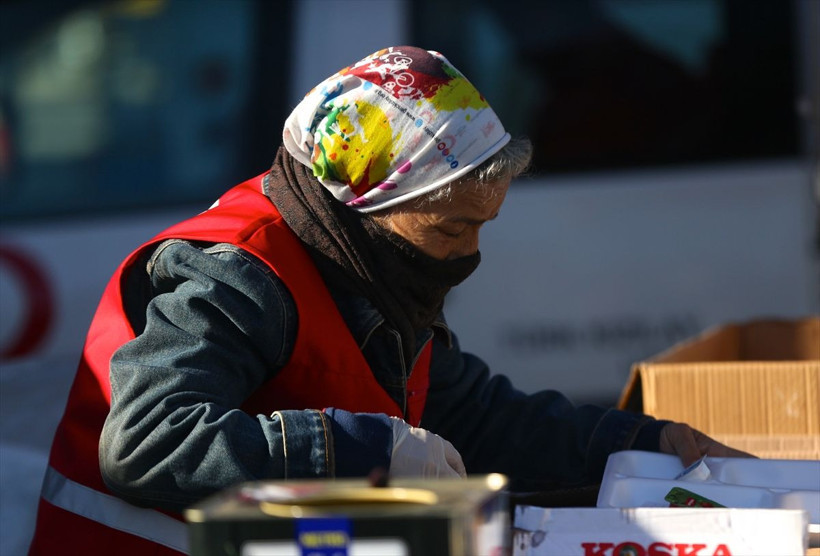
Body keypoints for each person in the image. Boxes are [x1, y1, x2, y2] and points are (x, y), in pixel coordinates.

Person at [28, 46, 749, 555]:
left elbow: (470, 412)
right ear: (368, 206)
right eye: (452, 229)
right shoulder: (234, 274)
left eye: (483, 226)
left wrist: (638, 445)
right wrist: (357, 450)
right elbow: (149, 445)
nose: (468, 254)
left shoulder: (375, 274)